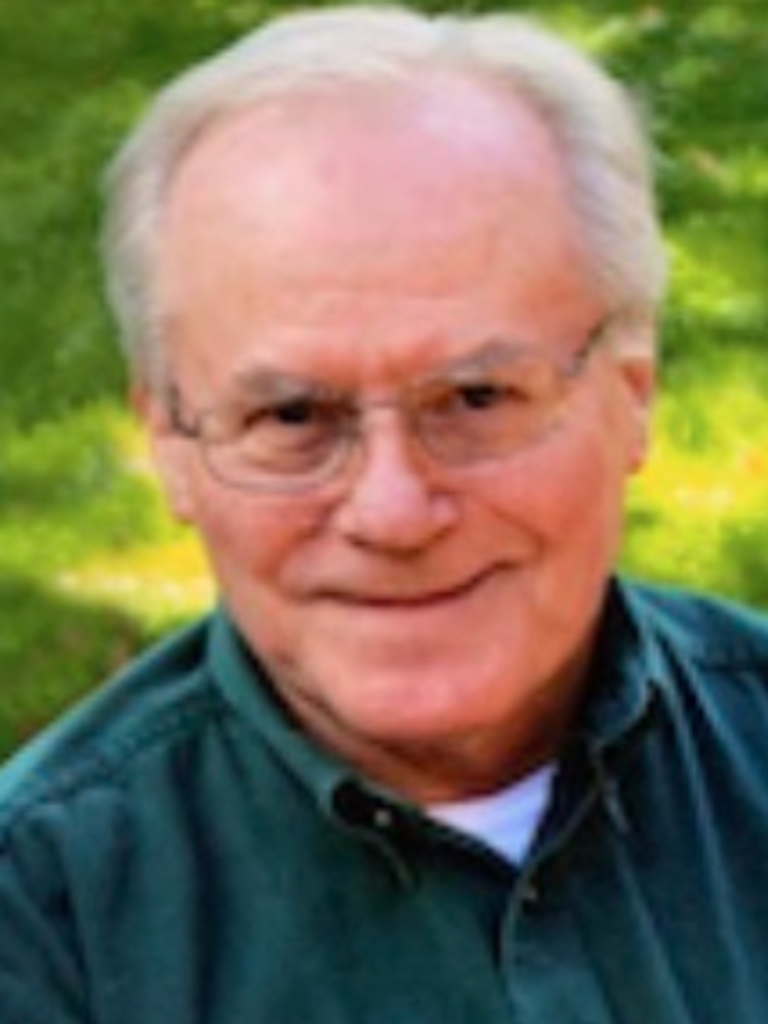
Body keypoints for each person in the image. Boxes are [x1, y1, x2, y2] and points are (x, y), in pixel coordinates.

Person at [2, 6, 768, 1022]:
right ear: (172, 448)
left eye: (476, 398)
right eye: (292, 417)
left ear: (633, 396)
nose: (394, 512)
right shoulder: (44, 924)